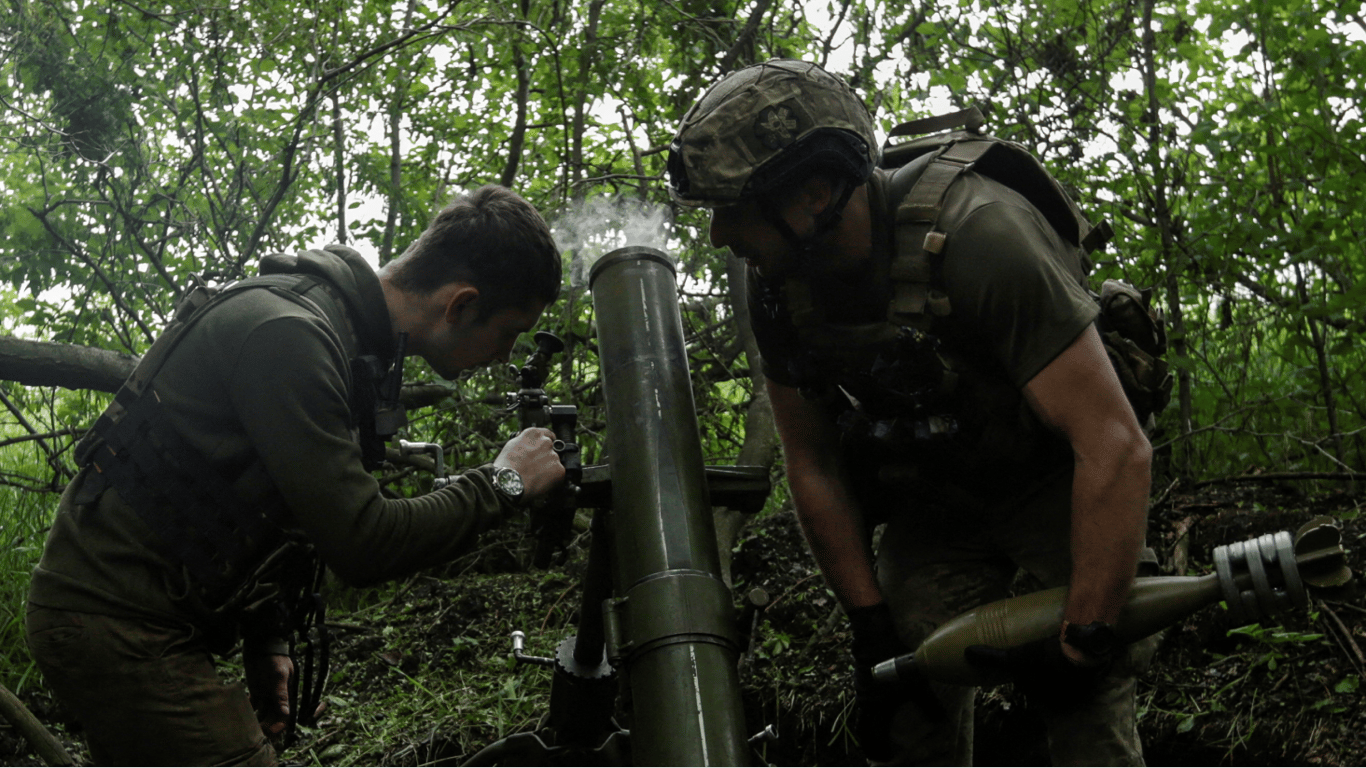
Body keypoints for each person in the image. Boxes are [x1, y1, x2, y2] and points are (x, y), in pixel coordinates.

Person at [667, 60, 1160, 765]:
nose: (720, 236)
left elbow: (1112, 444)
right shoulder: (775, 287)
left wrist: (1087, 634)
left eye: (733, 209)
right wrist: (871, 627)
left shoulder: (982, 235)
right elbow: (813, 464)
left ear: (813, 194)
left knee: (1087, 705)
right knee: (909, 707)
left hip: (1061, 485)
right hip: (937, 501)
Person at [25, 184, 567, 766]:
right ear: (460, 304)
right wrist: (502, 482)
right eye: (509, 331)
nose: (507, 355)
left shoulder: (344, 339)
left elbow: (259, 502)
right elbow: (364, 541)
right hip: (115, 625)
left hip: (138, 620)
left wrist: (268, 638)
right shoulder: (291, 334)